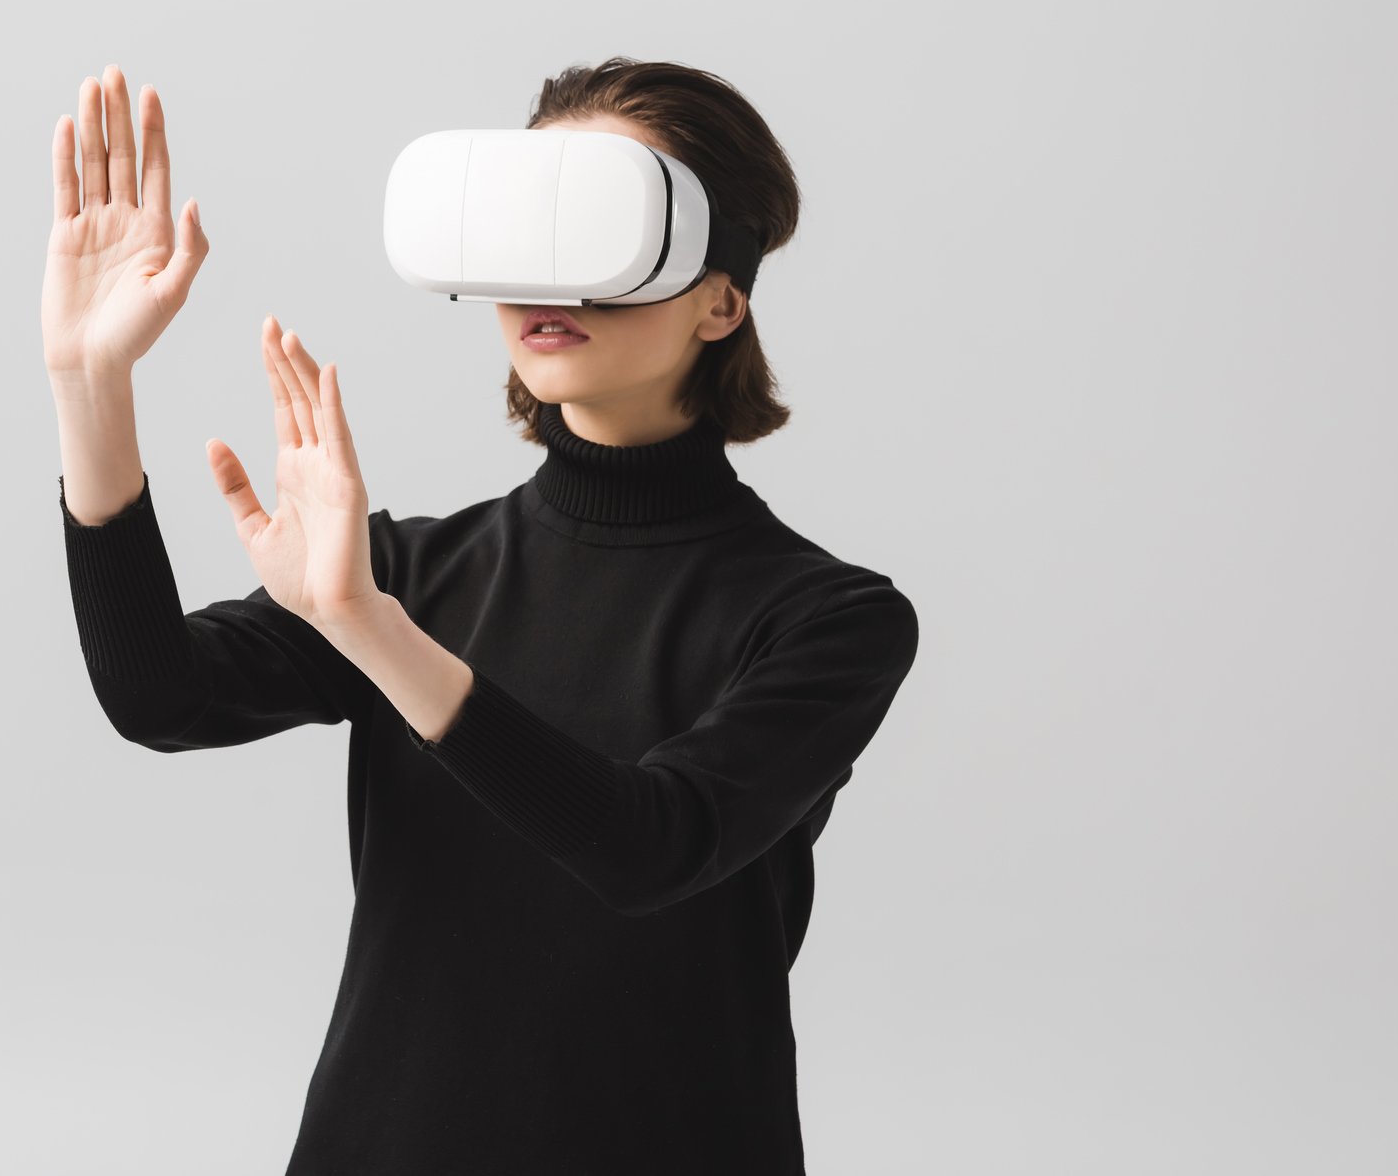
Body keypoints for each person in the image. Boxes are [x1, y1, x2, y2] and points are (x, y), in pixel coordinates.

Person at [47, 58, 921, 1175]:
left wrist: (372, 628)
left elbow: (648, 846)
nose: (548, 282)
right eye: (526, 231)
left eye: (597, 229)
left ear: (721, 294)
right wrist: (89, 382)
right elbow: (155, 693)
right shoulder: (406, 570)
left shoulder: (829, 619)